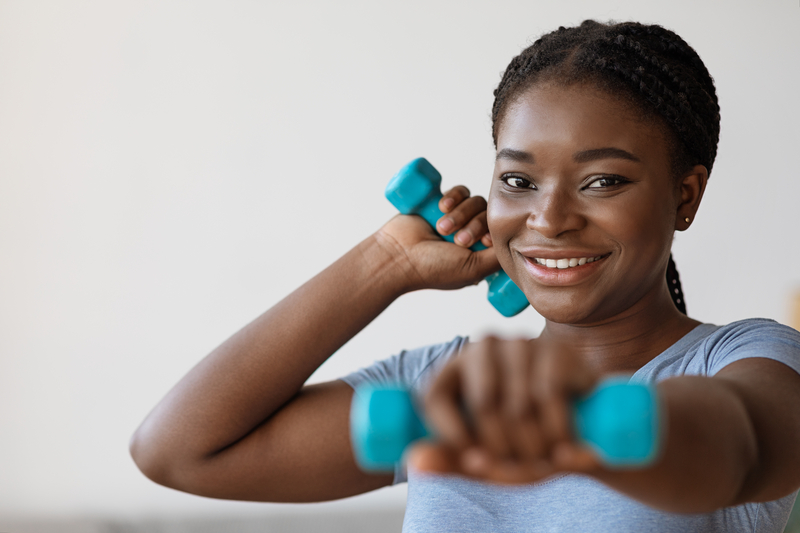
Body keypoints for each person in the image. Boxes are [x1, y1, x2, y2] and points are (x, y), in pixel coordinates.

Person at [130, 20, 800, 532]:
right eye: (519, 180)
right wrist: (385, 264)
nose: (550, 217)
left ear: (685, 196)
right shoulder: (447, 387)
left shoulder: (747, 356)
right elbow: (177, 450)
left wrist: (574, 419)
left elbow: (735, 443)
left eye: (602, 181)